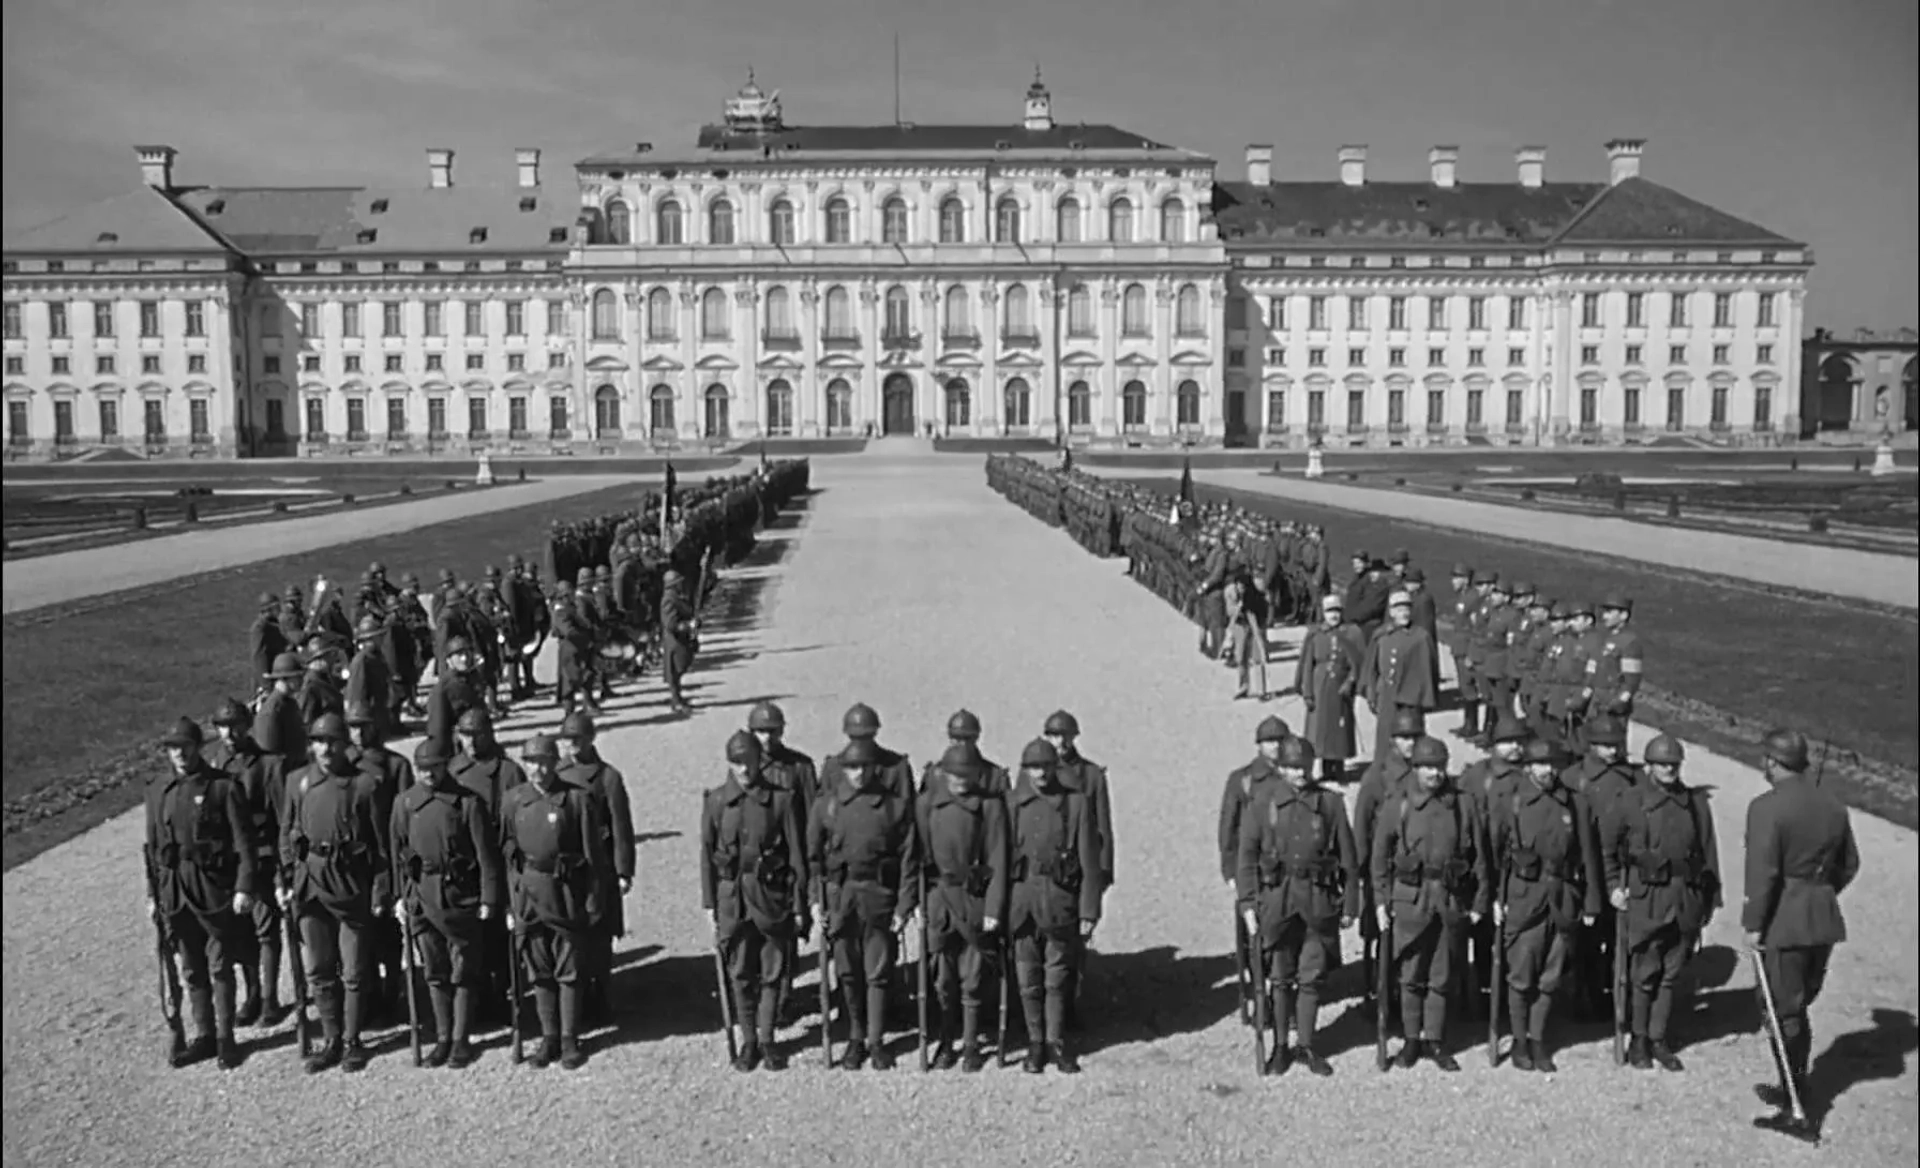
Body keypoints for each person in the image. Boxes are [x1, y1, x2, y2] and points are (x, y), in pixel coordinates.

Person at [1743, 729, 1859, 1142]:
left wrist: (1754, 922)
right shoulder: (1833, 805)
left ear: (1773, 762)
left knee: (1780, 1010)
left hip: (1783, 924)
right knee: (1798, 1006)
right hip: (1821, 919)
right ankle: (1793, 1082)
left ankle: (1797, 1109)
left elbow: (1763, 873)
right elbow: (1849, 865)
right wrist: (1819, 895)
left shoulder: (1766, 808)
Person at [1236, 736, 1358, 1076]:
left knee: (1311, 977)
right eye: (1291, 767)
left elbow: (1348, 857)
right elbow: (1246, 857)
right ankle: (1279, 1046)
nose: (1298, 773)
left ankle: (1306, 1045)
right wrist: (1248, 903)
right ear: (1280, 768)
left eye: (1303, 767)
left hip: (1318, 901)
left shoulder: (1329, 804)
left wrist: (1351, 903)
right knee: (1280, 977)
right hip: (1278, 902)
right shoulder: (1262, 803)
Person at [1600, 735, 1719, 1073]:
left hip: (1685, 899)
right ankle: (1638, 1037)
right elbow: (1608, 849)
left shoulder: (1695, 803)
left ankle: (1658, 1037)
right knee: (1645, 973)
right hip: (1646, 897)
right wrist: (1613, 888)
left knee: (1671, 974)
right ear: (1648, 766)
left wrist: (1710, 899)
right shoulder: (1629, 800)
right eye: (1662, 763)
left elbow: (1709, 854)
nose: (1669, 769)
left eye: (1674, 764)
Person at [279, 712, 390, 1073]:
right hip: (310, 884)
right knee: (320, 968)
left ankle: (355, 1039)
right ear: (311, 745)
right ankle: (332, 1038)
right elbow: (287, 833)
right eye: (319, 742)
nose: (326, 749)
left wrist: (380, 890)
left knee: (355, 969)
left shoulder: (364, 785)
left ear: (345, 745)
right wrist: (286, 879)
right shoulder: (298, 782)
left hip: (350, 884)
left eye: (333, 742)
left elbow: (381, 846)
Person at [1370, 736, 1489, 1072]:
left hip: (1450, 900)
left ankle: (1435, 1040)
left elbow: (1480, 857)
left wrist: (1479, 900)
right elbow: (1380, 858)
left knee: (1442, 975)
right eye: (1427, 768)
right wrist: (1381, 901)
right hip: (1411, 900)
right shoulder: (1399, 803)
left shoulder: (1463, 804)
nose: (1435, 774)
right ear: (1415, 768)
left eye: (1439, 767)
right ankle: (1410, 1039)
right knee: (1410, 974)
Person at [146, 718, 256, 1069]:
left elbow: (245, 844)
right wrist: (153, 896)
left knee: (221, 966)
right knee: (191, 968)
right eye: (173, 748)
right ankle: (204, 1035)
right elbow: (153, 850)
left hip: (213, 890)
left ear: (199, 748)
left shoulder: (223, 788)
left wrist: (243, 887)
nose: (179, 754)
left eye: (185, 747)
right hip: (175, 891)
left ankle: (226, 1037)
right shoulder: (158, 792)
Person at [1489, 738, 1603, 1072]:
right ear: (1527, 767)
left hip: (1563, 896)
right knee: (1522, 974)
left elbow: (1588, 854)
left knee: (1550, 975)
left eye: (1553, 764)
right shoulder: (1512, 802)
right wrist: (1497, 899)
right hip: (1524, 898)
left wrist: (1592, 900)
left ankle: (1538, 1039)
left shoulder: (1572, 802)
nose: (1548, 770)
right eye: (1540, 764)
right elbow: (1495, 856)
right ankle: (1520, 1041)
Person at [808, 736, 920, 1070]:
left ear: (874, 768)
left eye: (863, 767)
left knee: (878, 973)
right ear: (841, 769)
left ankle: (876, 1041)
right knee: (848, 973)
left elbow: (909, 861)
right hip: (841, 898)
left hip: (879, 897)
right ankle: (855, 1038)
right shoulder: (826, 806)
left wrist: (904, 906)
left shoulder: (895, 807)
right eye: (851, 767)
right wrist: (816, 904)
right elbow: (813, 861)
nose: (857, 774)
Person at [501, 734, 610, 1070]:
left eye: (544, 761)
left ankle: (569, 1038)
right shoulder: (513, 800)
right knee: (540, 972)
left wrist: (593, 900)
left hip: (565, 893)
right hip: (529, 896)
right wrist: (511, 900)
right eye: (531, 761)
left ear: (555, 762)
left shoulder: (576, 800)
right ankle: (548, 1037)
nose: (538, 769)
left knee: (569, 971)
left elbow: (594, 856)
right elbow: (507, 852)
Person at [391, 739, 503, 1068]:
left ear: (445, 766)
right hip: (421, 895)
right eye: (422, 768)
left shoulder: (468, 803)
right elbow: (397, 853)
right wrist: (401, 896)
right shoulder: (405, 803)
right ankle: (441, 1037)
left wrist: (488, 898)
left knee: (464, 971)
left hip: (459, 895)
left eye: (434, 767)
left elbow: (487, 856)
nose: (428, 774)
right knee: (436, 972)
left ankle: (461, 1039)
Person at [702, 731, 809, 1071]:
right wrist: (709, 905)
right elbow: (706, 856)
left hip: (771, 897)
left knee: (772, 971)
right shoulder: (716, 801)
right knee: (740, 972)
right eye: (736, 763)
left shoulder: (781, 799)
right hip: (733, 900)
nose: (744, 770)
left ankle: (768, 1040)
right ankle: (748, 1040)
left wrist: (799, 905)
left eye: (748, 762)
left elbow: (796, 857)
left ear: (758, 761)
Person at [1005, 738, 1102, 1073]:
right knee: (1027, 977)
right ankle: (1034, 1042)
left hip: (1060, 900)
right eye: (1033, 767)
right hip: (1022, 901)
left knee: (1057, 977)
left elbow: (1090, 861)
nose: (1040, 774)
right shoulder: (1013, 804)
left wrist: (1089, 910)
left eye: (1046, 767)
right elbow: (1000, 860)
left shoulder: (1075, 804)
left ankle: (1056, 1042)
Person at [915, 742, 1010, 1071]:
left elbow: (998, 859)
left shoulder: (990, 806)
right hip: (940, 898)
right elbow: (920, 856)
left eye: (966, 774)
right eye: (953, 774)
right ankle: (945, 1041)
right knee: (943, 979)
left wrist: (993, 909)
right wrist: (919, 903)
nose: (959, 780)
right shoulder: (927, 803)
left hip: (973, 898)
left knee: (972, 977)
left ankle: (970, 1045)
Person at [205, 698, 288, 1029]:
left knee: (267, 930)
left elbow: (282, 820)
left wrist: (284, 870)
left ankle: (269, 997)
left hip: (265, 861)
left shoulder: (269, 766)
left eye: (234, 726)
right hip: (232, 866)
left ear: (247, 726)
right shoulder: (216, 764)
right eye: (222, 727)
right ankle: (252, 994)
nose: (228, 733)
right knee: (242, 934)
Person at [557, 712, 636, 1020]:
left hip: (598, 868)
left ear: (591, 739)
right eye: (566, 739)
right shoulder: (557, 772)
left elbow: (621, 828)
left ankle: (600, 997)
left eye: (577, 739)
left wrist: (623, 871)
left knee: (600, 937)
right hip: (567, 866)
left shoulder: (607, 777)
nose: (571, 745)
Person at [1361, 592, 1439, 770]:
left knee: (1410, 739)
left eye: (1407, 609)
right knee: (1385, 739)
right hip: (1387, 697)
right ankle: (1383, 772)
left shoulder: (1420, 637)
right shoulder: (1381, 636)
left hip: (1410, 700)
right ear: (1391, 612)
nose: (1403, 613)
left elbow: (1429, 671)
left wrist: (1424, 699)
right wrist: (1371, 693)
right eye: (1399, 609)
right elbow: (1371, 668)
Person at [1296, 595, 1367, 785]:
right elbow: (1307, 666)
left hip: (1340, 689)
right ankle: (1326, 768)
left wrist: (1351, 682)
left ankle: (1340, 769)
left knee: (1340, 728)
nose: (1333, 615)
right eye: (1329, 611)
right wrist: (1307, 692)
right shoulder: (1315, 635)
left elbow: (1357, 663)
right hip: (1319, 687)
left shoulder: (1350, 633)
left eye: (1336, 611)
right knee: (1321, 729)